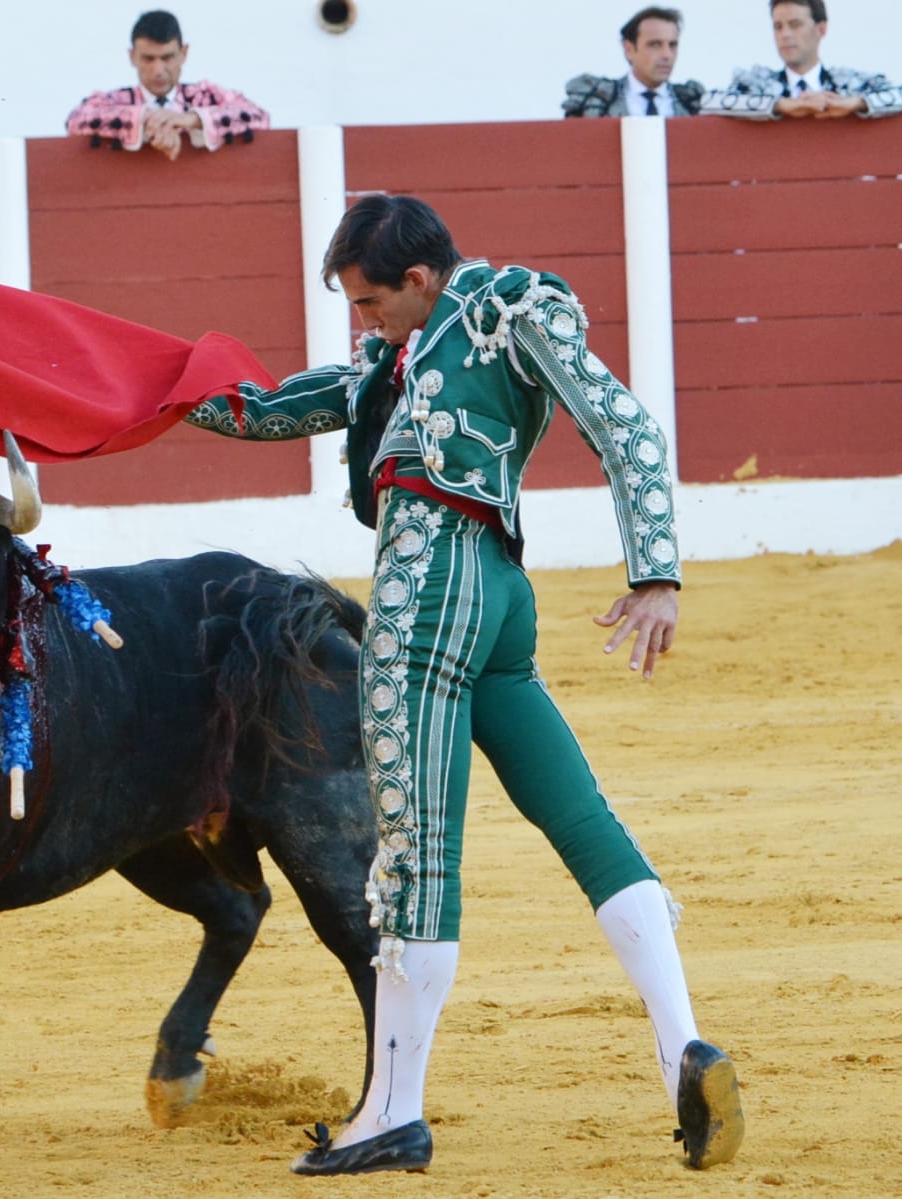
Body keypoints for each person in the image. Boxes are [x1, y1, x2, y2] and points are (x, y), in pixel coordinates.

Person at [183, 195, 744, 1176]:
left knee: (415, 854)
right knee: (583, 820)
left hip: (428, 593)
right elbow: (262, 409)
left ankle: (392, 1112)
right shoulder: (417, 349)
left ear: (420, 278)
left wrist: (656, 575)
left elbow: (627, 428)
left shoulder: (496, 306)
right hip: (500, 594)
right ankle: (683, 1046)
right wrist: (140, 383)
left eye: (368, 302)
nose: (362, 321)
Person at [64, 10, 268, 158]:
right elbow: (74, 121)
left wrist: (192, 119)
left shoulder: (203, 96)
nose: (158, 70)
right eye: (148, 59)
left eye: (167, 57)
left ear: (183, 53)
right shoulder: (115, 101)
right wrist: (147, 121)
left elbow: (260, 116)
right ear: (132, 56)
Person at [701, 0, 902, 118]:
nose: (785, 34)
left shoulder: (850, 85)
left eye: (795, 25)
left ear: (821, 29)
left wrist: (858, 102)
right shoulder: (756, 86)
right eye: (778, 26)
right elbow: (707, 102)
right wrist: (781, 105)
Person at [563, 7, 704, 117]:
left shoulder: (693, 103)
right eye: (655, 44)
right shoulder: (597, 100)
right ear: (629, 49)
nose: (667, 55)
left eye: (672, 45)